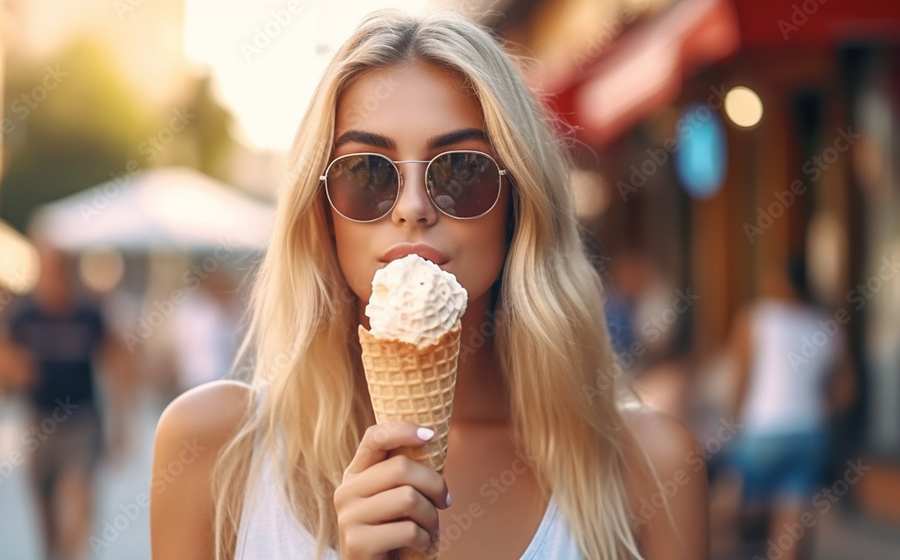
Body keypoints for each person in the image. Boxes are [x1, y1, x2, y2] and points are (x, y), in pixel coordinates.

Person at [151, 10, 708, 560]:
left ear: (519, 204)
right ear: (321, 211)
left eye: (461, 170)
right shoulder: (213, 449)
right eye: (367, 172)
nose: (413, 208)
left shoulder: (653, 468)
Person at [0, 236, 133, 560]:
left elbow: (118, 363)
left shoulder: (89, 314)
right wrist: (13, 370)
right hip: (39, 421)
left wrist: (121, 424)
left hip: (81, 420)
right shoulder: (24, 316)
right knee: (44, 509)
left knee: (77, 494)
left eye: (60, 269)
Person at [724, 254, 854, 559]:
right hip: (809, 433)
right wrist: (819, 408)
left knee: (728, 512)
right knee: (789, 527)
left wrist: (731, 425)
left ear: (781, 281)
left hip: (762, 431)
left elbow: (740, 380)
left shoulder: (756, 317)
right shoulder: (828, 325)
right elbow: (846, 390)